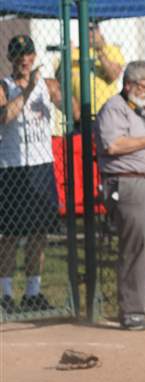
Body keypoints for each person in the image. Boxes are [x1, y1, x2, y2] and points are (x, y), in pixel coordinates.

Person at [94, 61, 145, 330]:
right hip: (130, 184)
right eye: (143, 87)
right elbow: (113, 145)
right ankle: (134, 312)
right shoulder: (113, 109)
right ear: (128, 84)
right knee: (139, 246)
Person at [0, 36, 61, 315]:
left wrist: (56, 87)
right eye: (19, 55)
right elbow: (4, 117)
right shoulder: (5, 86)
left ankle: (33, 292)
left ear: (34, 57)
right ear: (12, 59)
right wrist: (27, 91)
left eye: (28, 55)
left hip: (41, 166)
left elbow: (71, 109)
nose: (25, 60)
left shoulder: (46, 85)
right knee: (10, 234)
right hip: (12, 167)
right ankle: (6, 293)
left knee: (39, 233)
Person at [68, 23, 122, 120]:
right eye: (87, 29)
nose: (90, 33)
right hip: (80, 116)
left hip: (106, 114)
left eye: (93, 29)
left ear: (99, 31)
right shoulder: (73, 53)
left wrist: (100, 52)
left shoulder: (111, 50)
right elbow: (62, 82)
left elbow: (113, 75)